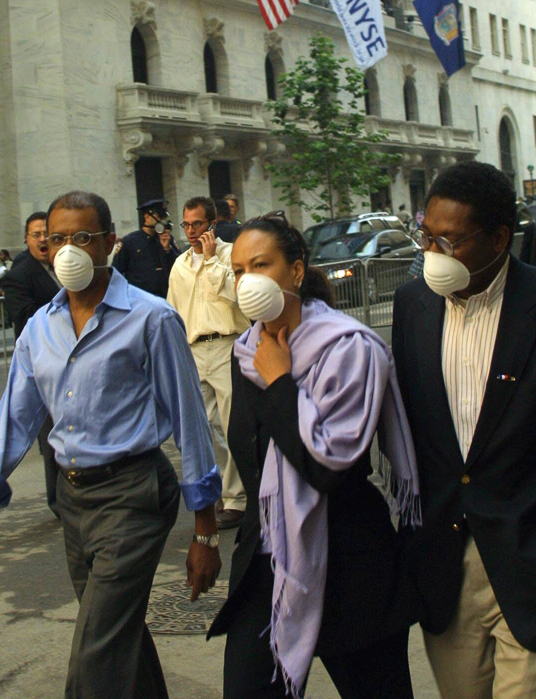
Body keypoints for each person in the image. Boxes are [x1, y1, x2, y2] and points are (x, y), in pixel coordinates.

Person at [0, 190, 222, 699]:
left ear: (109, 243)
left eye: (82, 238)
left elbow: (190, 422)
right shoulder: (39, 330)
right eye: (58, 238)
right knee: (116, 642)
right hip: (74, 502)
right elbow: (11, 424)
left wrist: (205, 533)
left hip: (133, 498)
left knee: (94, 660)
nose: (68, 249)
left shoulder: (151, 319)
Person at [393, 160, 536, 699]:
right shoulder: (412, 306)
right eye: (427, 237)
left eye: (450, 242)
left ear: (499, 238)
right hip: (447, 572)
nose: (433, 255)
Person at [208, 213, 420, 699]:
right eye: (239, 270)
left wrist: (283, 381)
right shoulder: (247, 353)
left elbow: (326, 466)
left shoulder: (349, 348)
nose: (247, 281)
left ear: (296, 272)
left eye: (261, 265)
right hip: (269, 565)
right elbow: (255, 459)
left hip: (350, 565)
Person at [167, 196, 248, 529]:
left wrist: (212, 260)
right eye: (185, 224)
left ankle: (237, 500)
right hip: (193, 351)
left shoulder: (230, 256)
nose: (189, 231)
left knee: (232, 427)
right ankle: (220, 488)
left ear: (212, 225)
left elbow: (239, 296)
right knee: (201, 428)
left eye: (196, 224)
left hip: (227, 345)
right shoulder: (180, 264)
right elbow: (173, 309)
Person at [0, 212, 62, 516]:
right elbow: (24, 318)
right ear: (26, 239)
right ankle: (59, 501)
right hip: (43, 366)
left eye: (46, 234)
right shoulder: (20, 273)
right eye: (36, 234)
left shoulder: (60, 266)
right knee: (52, 436)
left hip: (68, 362)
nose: (42, 240)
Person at [114, 198, 179, 298]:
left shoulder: (167, 239)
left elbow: (179, 265)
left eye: (163, 217)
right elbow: (115, 272)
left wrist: (167, 249)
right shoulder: (129, 241)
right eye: (159, 216)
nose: (162, 220)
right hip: (140, 300)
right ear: (147, 217)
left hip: (166, 297)